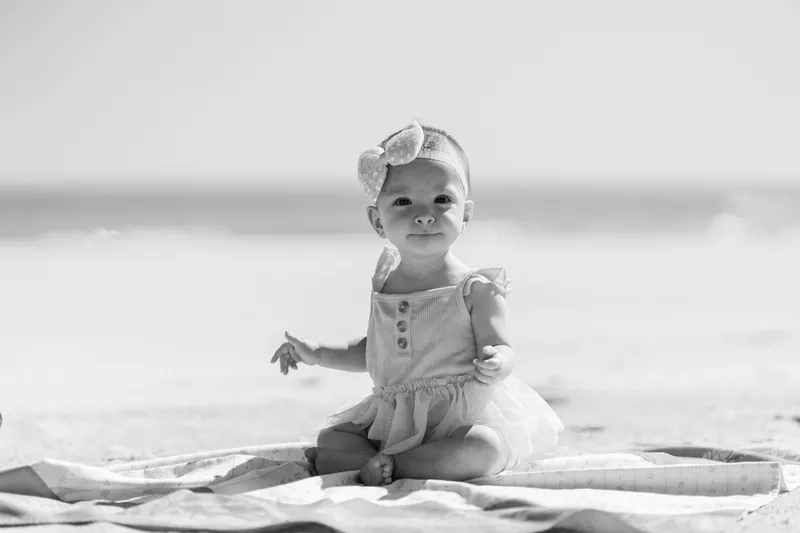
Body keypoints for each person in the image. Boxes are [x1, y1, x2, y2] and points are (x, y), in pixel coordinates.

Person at [271, 120, 563, 486]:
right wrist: (318, 353)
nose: (424, 214)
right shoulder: (385, 283)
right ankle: (393, 460)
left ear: (466, 215)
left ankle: (396, 466)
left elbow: (501, 345)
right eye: (403, 201)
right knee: (333, 439)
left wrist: (498, 361)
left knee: (483, 448)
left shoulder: (475, 288)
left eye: (442, 200)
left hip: (459, 418)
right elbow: (375, 352)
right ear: (378, 221)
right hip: (395, 418)